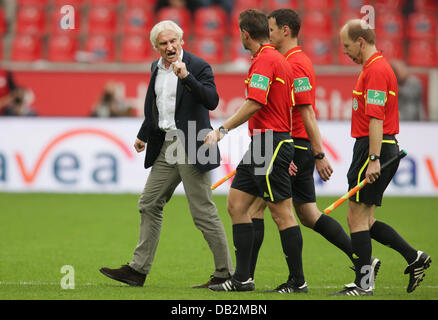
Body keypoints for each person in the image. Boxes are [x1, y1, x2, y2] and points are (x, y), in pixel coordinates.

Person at [246, 8, 378, 294]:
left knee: (255, 208)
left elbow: (306, 110)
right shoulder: (289, 61)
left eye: (270, 29)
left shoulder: (296, 64)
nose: (267, 35)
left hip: (291, 144)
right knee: (306, 213)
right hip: (292, 143)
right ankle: (362, 259)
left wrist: (316, 153)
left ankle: (253, 279)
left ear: (285, 30)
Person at [100, 20, 234, 288]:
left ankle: (226, 274)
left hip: (193, 144)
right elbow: (156, 107)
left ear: (181, 40)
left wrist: (187, 77)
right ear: (156, 47)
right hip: (166, 144)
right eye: (163, 43)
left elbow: (212, 100)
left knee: (202, 212)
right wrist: (143, 133)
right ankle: (137, 270)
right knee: (149, 203)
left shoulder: (198, 66)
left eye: (173, 41)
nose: (170, 47)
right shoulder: (156, 68)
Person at [204, 9, 305, 292]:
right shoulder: (273, 59)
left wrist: (221, 130)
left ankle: (298, 281)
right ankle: (242, 279)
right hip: (263, 143)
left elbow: (255, 103)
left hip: (271, 142)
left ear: (245, 34)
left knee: (282, 212)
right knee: (236, 204)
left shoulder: (267, 60)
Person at [332, 19, 431, 296]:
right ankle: (414, 257)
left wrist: (373, 158)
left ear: (361, 42)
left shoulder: (375, 70)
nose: (345, 52)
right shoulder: (374, 68)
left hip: (374, 147)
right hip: (377, 146)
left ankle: (364, 284)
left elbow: (376, 118)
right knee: (366, 221)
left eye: (347, 46)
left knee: (356, 219)